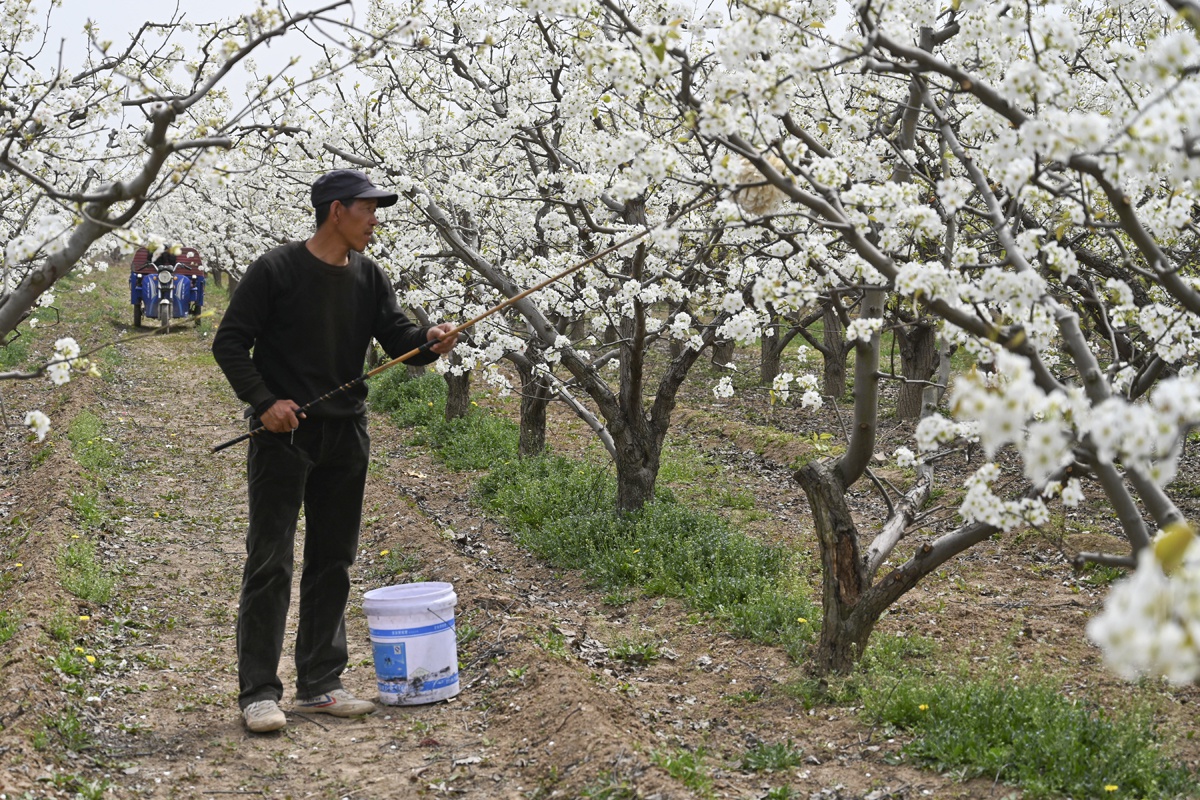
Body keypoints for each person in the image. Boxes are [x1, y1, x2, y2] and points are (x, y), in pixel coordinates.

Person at [212, 169, 458, 733]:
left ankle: (320, 684)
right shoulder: (275, 270)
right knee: (270, 559)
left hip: (346, 436)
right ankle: (259, 692)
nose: (375, 221)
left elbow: (398, 339)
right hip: (282, 437)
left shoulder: (369, 276)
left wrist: (428, 342)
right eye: (368, 209)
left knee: (333, 560)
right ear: (336, 211)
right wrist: (265, 403)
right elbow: (229, 342)